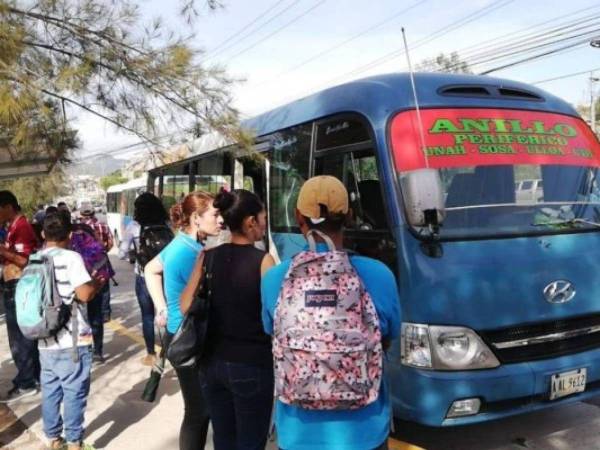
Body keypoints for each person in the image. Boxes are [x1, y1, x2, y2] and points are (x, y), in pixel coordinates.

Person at [261, 176, 401, 450]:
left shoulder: (275, 279)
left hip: (298, 434)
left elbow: (272, 334)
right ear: (349, 216)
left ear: (298, 216)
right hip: (365, 430)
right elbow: (388, 338)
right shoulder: (379, 274)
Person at [180, 189, 276, 450]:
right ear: (250, 222)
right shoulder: (263, 261)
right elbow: (274, 317)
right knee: (250, 443)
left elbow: (185, 304)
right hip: (252, 365)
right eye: (263, 217)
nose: (265, 224)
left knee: (223, 440)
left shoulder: (207, 256)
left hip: (211, 366)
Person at [144, 191, 222, 450]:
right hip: (187, 337)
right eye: (215, 214)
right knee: (198, 412)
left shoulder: (184, 244)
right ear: (196, 218)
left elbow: (151, 268)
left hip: (178, 332)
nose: (220, 220)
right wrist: (163, 307)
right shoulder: (189, 252)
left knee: (199, 410)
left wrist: (161, 308)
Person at [37, 212, 103, 450]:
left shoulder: (36, 258)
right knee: (74, 391)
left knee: (51, 391)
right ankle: (75, 442)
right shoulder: (71, 257)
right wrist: (95, 283)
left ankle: (53, 439)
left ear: (44, 234)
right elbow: (84, 295)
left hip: (44, 339)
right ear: (70, 234)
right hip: (73, 339)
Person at [118, 192, 170, 366]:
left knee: (148, 316)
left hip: (143, 277)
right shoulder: (166, 224)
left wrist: (134, 255)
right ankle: (170, 349)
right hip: (166, 275)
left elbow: (122, 253)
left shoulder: (134, 227)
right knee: (168, 312)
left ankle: (151, 354)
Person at [0, 191, 40, 402]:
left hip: (18, 286)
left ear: (7, 206)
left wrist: (2, 252)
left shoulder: (22, 227)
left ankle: (27, 382)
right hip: (13, 285)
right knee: (21, 336)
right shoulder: (13, 227)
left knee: (19, 338)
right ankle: (29, 377)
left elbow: (24, 261)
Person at [78, 201, 114, 323]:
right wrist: (102, 253)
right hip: (102, 262)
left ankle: (93, 315)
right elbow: (110, 243)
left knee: (91, 287)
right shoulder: (103, 225)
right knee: (104, 288)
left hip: (86, 265)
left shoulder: (78, 229)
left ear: (81, 214)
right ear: (93, 213)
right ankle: (105, 313)